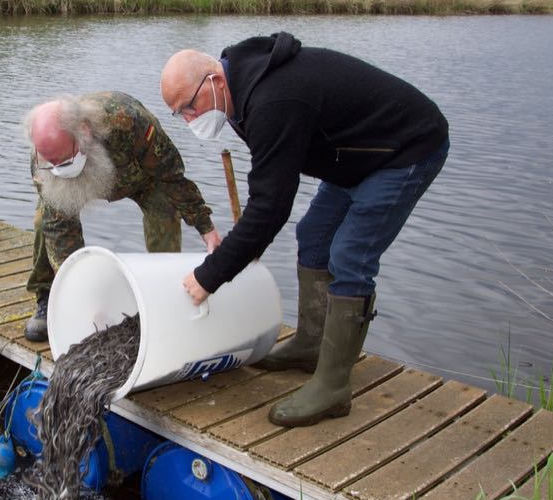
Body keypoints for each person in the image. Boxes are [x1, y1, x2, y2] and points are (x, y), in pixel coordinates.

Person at [160, 32, 449, 428]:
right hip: (354, 154)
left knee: (350, 254)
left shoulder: (274, 99)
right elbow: (269, 177)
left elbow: (272, 206)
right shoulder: (239, 94)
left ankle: (332, 387)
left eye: (190, 106)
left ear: (215, 81)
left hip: (404, 149)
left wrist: (210, 276)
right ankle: (312, 345)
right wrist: (246, 239)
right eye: (180, 114)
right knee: (313, 236)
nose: (190, 119)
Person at [22, 91, 221, 342]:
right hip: (82, 183)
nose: (57, 169)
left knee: (165, 209)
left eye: (64, 160)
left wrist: (205, 226)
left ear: (83, 132)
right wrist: (77, 295)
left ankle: (161, 295)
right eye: (51, 163)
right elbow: (59, 231)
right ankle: (46, 296)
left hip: (141, 178)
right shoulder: (45, 160)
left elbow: (172, 176)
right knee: (45, 218)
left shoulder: (129, 122)